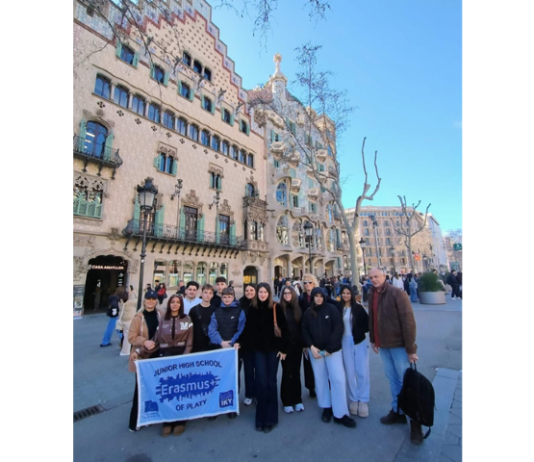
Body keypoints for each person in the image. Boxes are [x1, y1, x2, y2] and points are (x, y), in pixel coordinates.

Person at [367, 269, 423, 445]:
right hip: (383, 345)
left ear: (384, 277)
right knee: (393, 380)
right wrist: (373, 340)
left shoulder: (396, 293)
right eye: (371, 277)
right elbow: (372, 319)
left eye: (376, 276)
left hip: (399, 346)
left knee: (407, 383)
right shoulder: (372, 294)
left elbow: (408, 321)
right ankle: (398, 411)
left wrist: (411, 349)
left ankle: (415, 422)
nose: (374, 279)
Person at [302, 288, 356, 429]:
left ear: (324, 297)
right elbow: (304, 330)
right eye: (316, 296)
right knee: (320, 379)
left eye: (321, 296)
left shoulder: (332, 309)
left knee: (338, 379)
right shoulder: (308, 313)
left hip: (332, 351)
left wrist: (329, 348)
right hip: (316, 351)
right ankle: (326, 407)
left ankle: (341, 413)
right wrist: (311, 347)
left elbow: (338, 328)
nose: (318, 298)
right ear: (313, 297)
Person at [247, 283, 289, 433]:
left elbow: (285, 329)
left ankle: (271, 418)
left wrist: (283, 349)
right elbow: (248, 330)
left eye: (265, 292)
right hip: (258, 351)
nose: (263, 294)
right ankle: (260, 417)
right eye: (260, 292)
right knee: (261, 383)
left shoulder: (276, 307)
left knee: (271, 382)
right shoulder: (252, 309)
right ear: (257, 294)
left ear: (269, 293)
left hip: (273, 350)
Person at [156, 295, 194, 437]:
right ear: (169, 304)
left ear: (181, 305)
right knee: (167, 389)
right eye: (172, 302)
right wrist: (140, 352)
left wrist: (186, 354)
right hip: (165, 354)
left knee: (181, 388)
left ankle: (180, 420)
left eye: (178, 302)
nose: (175, 304)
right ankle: (167, 421)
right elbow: (156, 339)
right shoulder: (163, 320)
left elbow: (190, 339)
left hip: (181, 353)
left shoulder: (187, 319)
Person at [208, 287, 246, 419]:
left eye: (229, 297)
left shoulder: (239, 311)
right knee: (218, 377)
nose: (227, 299)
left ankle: (232, 405)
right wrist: (221, 342)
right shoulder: (216, 311)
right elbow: (212, 329)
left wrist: (233, 342)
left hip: (234, 348)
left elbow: (242, 328)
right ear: (222, 297)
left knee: (234, 377)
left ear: (233, 297)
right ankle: (216, 407)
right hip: (220, 348)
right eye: (225, 297)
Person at [127, 290, 161, 432]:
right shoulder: (138, 317)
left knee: (152, 388)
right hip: (142, 356)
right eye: (148, 299)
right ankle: (134, 421)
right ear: (144, 300)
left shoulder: (160, 314)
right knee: (140, 389)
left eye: (153, 299)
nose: (151, 301)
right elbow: (131, 337)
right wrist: (144, 341)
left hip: (156, 355)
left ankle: (148, 416)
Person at [338, 286, 370, 418]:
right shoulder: (339, 308)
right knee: (350, 371)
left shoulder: (358, 308)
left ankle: (363, 399)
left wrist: (357, 331)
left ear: (352, 294)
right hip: (344, 341)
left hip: (358, 341)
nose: (346, 295)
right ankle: (354, 398)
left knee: (362, 371)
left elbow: (367, 325)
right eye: (343, 293)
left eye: (348, 293)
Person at [279, 286, 304, 414]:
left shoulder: (298, 308)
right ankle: (287, 400)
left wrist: (304, 345)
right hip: (285, 346)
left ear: (293, 294)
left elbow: (302, 327)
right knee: (287, 372)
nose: (287, 295)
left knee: (296, 372)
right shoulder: (279, 309)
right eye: (285, 293)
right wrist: (281, 348)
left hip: (297, 345)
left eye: (289, 293)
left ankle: (297, 399)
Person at [298, 274, 319, 398]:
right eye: (305, 282)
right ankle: (311, 387)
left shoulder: (320, 295)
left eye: (309, 282)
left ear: (314, 283)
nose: (307, 284)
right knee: (308, 363)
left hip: (320, 332)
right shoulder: (301, 298)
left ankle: (322, 385)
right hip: (306, 333)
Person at [238, 284, 257, 406]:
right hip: (246, 343)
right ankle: (249, 394)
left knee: (260, 371)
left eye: (251, 290)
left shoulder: (260, 303)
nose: (249, 292)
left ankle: (258, 394)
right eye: (247, 290)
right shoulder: (240, 304)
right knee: (248, 370)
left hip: (259, 342)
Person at [189, 285, 217, 354]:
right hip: (196, 345)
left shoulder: (215, 310)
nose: (208, 295)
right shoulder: (193, 310)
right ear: (201, 294)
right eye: (205, 292)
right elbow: (189, 329)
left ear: (212, 295)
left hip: (211, 345)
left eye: (210, 293)